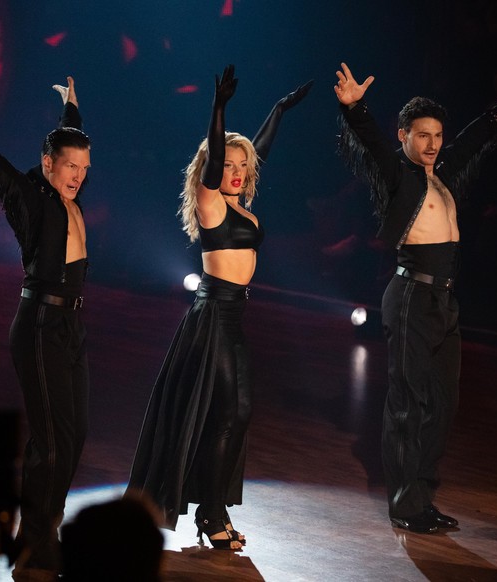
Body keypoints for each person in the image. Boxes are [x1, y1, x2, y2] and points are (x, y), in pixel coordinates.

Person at [334, 62, 497, 534]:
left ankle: (421, 494)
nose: (432, 144)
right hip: (410, 298)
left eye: (437, 135)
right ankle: (406, 505)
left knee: (442, 403)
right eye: (422, 135)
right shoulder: (399, 174)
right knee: (408, 402)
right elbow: (373, 145)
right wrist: (355, 109)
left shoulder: (441, 172)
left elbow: (468, 142)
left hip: (444, 302)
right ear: (404, 135)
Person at [127, 64, 311, 550]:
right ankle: (211, 517)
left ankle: (214, 508)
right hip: (210, 317)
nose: (235, 172)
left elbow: (259, 152)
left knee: (237, 414)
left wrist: (278, 111)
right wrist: (219, 108)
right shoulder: (211, 203)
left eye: (241, 167)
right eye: (228, 165)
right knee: (227, 414)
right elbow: (215, 161)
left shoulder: (243, 202)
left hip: (235, 318)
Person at [0, 76, 92, 580]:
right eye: (69, 167)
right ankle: (35, 547)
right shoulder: (36, 199)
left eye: (83, 168)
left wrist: (72, 113)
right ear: (48, 165)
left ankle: (41, 529)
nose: (77, 175)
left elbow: (67, 146)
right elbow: (13, 182)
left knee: (74, 433)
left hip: (72, 324)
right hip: (39, 322)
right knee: (51, 439)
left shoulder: (69, 192)